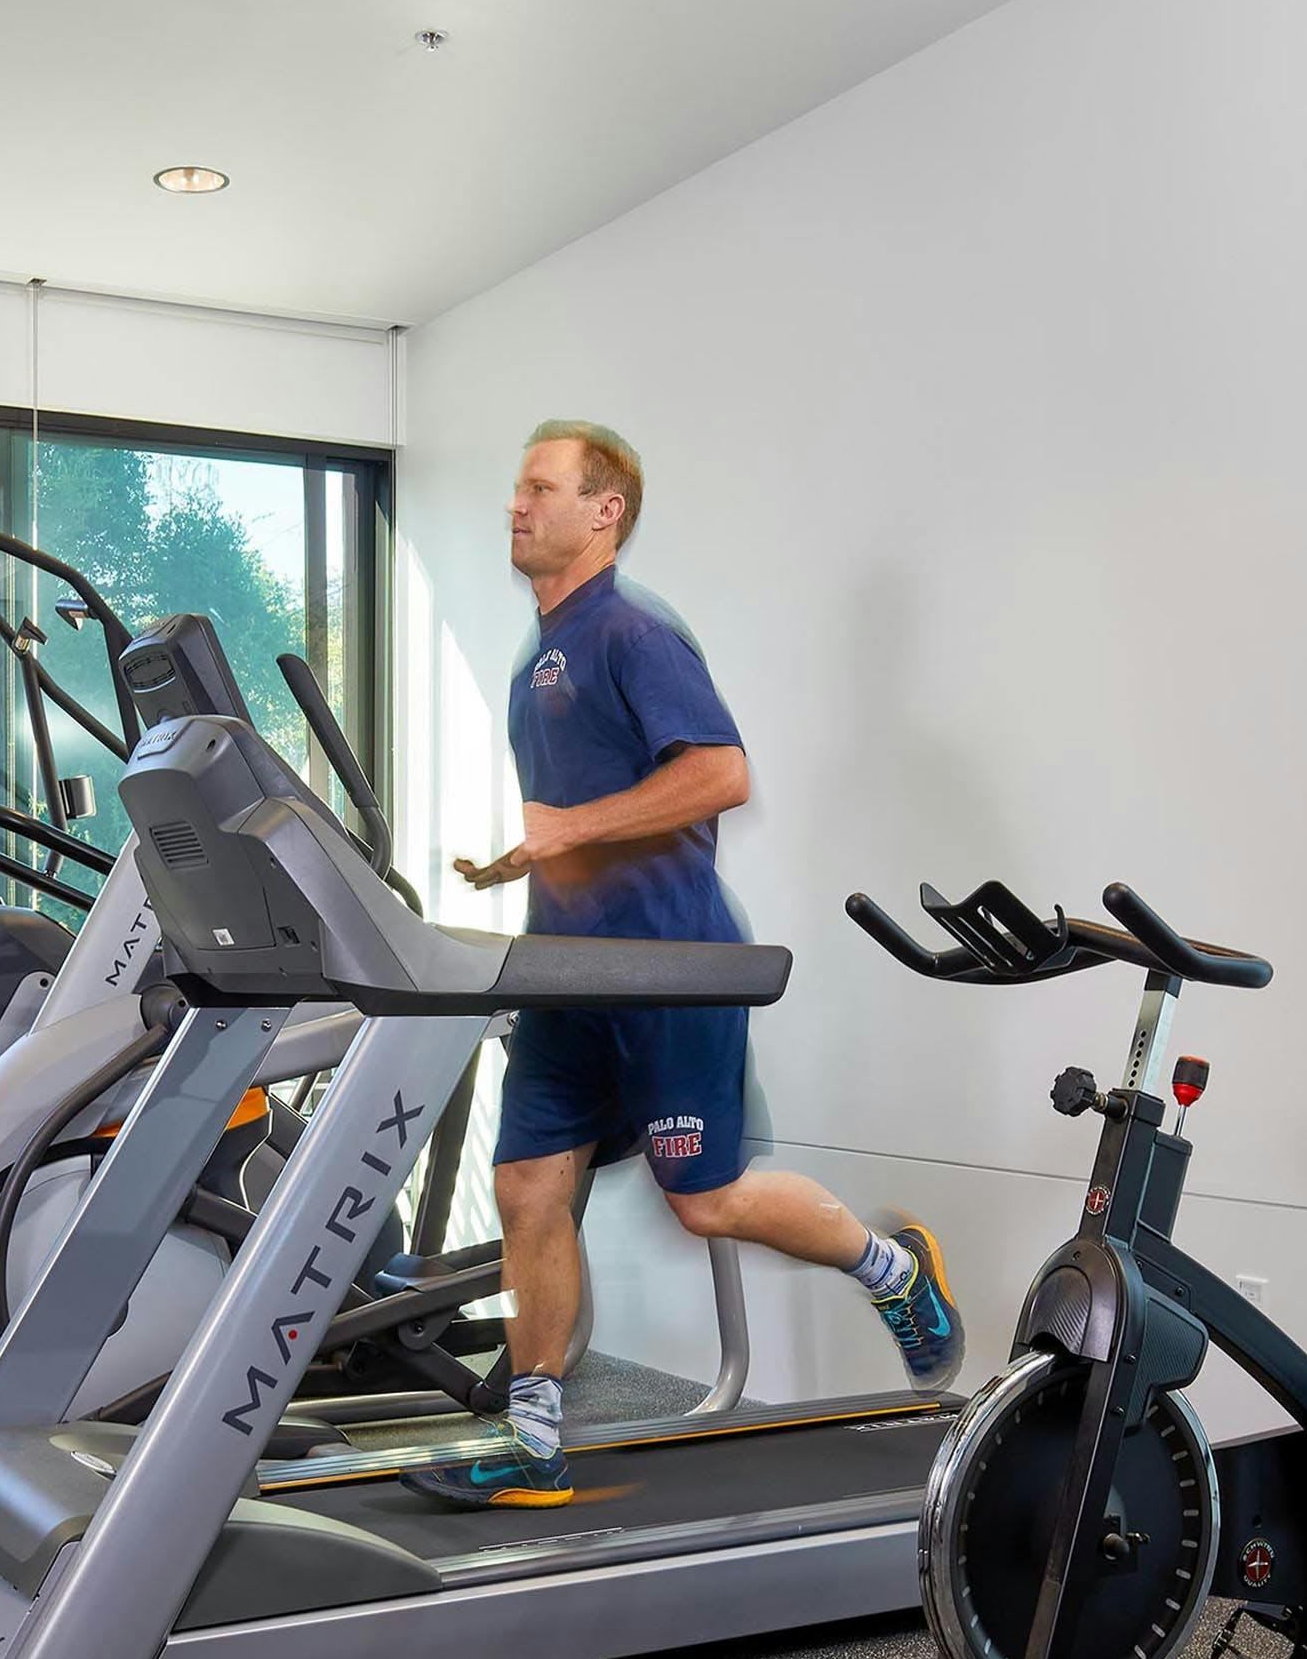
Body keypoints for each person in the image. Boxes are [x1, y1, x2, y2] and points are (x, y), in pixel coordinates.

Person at [402, 421, 963, 1510]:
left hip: (671, 969)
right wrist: (536, 856)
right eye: (515, 487)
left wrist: (567, 831)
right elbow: (590, 819)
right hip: (567, 974)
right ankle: (535, 1436)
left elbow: (720, 774)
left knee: (703, 1202)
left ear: (604, 510)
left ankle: (895, 1273)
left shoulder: (633, 631)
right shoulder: (538, 652)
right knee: (527, 1190)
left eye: (541, 487)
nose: (515, 505)